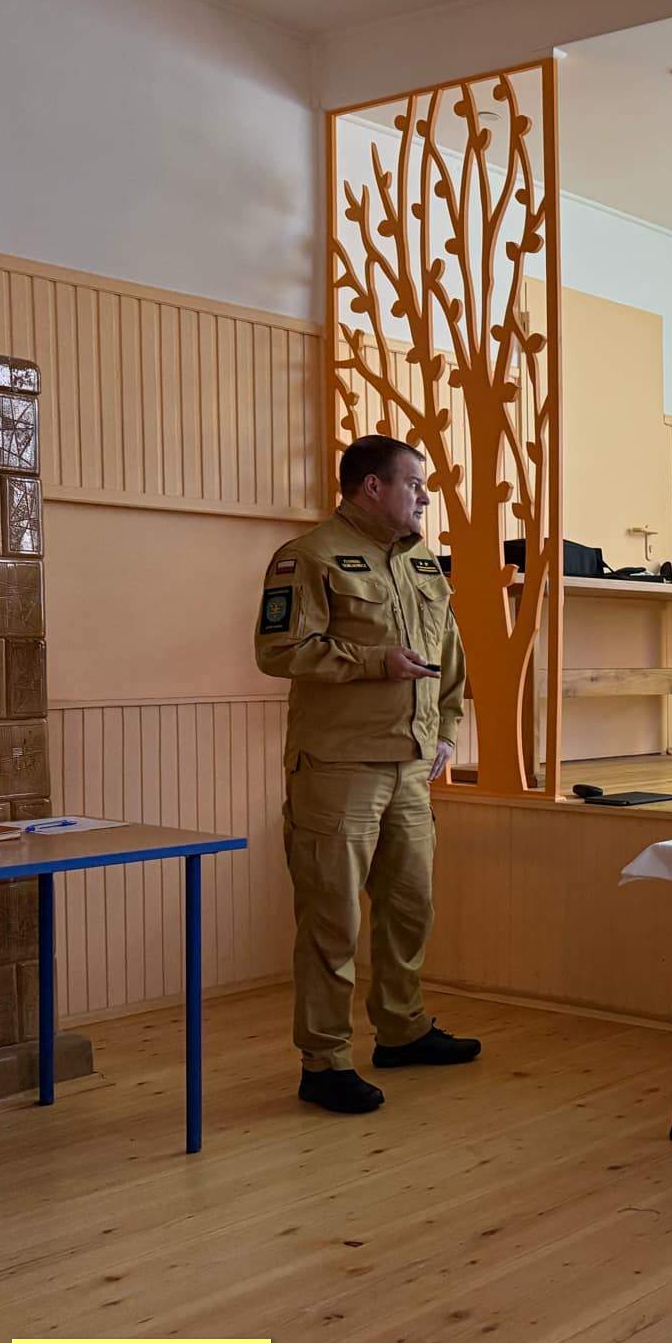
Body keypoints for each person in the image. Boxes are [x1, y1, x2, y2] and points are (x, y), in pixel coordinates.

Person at [256, 434, 480, 1114]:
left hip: (410, 767)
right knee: (331, 920)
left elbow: (450, 657)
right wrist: (372, 661)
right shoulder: (308, 556)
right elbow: (279, 649)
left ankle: (402, 1031)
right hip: (338, 769)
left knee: (410, 908)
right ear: (372, 487)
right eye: (414, 484)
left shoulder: (421, 562)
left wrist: (446, 732)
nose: (424, 498)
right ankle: (324, 1061)